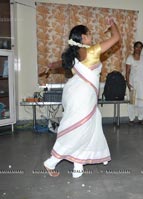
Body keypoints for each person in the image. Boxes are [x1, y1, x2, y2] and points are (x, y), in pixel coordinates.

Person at [43, 18, 120, 178]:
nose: (91, 36)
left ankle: (78, 164)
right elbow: (116, 38)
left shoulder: (72, 55)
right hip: (83, 96)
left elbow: (60, 63)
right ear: (83, 37)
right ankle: (52, 161)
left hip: (73, 93)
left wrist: (50, 66)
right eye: (89, 34)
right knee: (80, 128)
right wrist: (112, 24)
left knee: (89, 124)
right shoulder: (92, 51)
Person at [125, 41, 143, 125]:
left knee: (142, 101)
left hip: (142, 84)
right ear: (134, 47)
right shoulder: (130, 58)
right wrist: (128, 82)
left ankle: (141, 118)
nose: (138, 49)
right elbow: (127, 71)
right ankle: (131, 119)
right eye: (137, 47)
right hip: (132, 83)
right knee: (132, 101)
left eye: (140, 47)